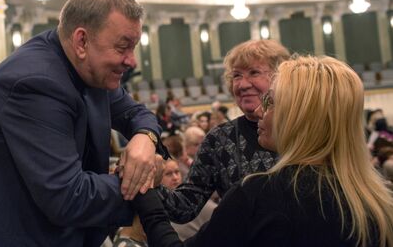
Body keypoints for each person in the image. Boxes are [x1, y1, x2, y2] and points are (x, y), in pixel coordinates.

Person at [0, 0, 164, 247]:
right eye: (122, 47)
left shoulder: (90, 69)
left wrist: (146, 137)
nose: (132, 61)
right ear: (82, 41)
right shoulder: (35, 83)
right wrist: (144, 181)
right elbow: (68, 196)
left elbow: (136, 113)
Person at [133, 56, 393, 247]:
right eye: (236, 75)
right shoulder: (378, 201)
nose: (260, 111)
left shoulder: (258, 195)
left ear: (297, 117)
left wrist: (146, 196)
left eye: (270, 102)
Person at [159, 39, 289, 223]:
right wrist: (149, 181)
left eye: (254, 73)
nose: (242, 85)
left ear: (280, 78)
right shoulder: (219, 139)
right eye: (236, 76)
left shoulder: (302, 130)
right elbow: (184, 207)